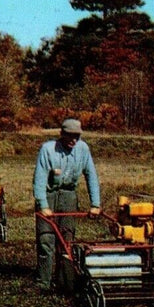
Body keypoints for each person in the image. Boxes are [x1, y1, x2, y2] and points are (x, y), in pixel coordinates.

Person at [32, 118, 101, 293]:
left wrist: (95, 203)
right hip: (49, 194)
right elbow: (39, 179)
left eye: (77, 136)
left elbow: (91, 175)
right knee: (46, 240)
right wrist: (43, 205)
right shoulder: (48, 149)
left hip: (69, 195)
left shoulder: (83, 149)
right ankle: (43, 282)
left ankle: (64, 282)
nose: (74, 140)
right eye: (70, 136)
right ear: (62, 134)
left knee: (66, 240)